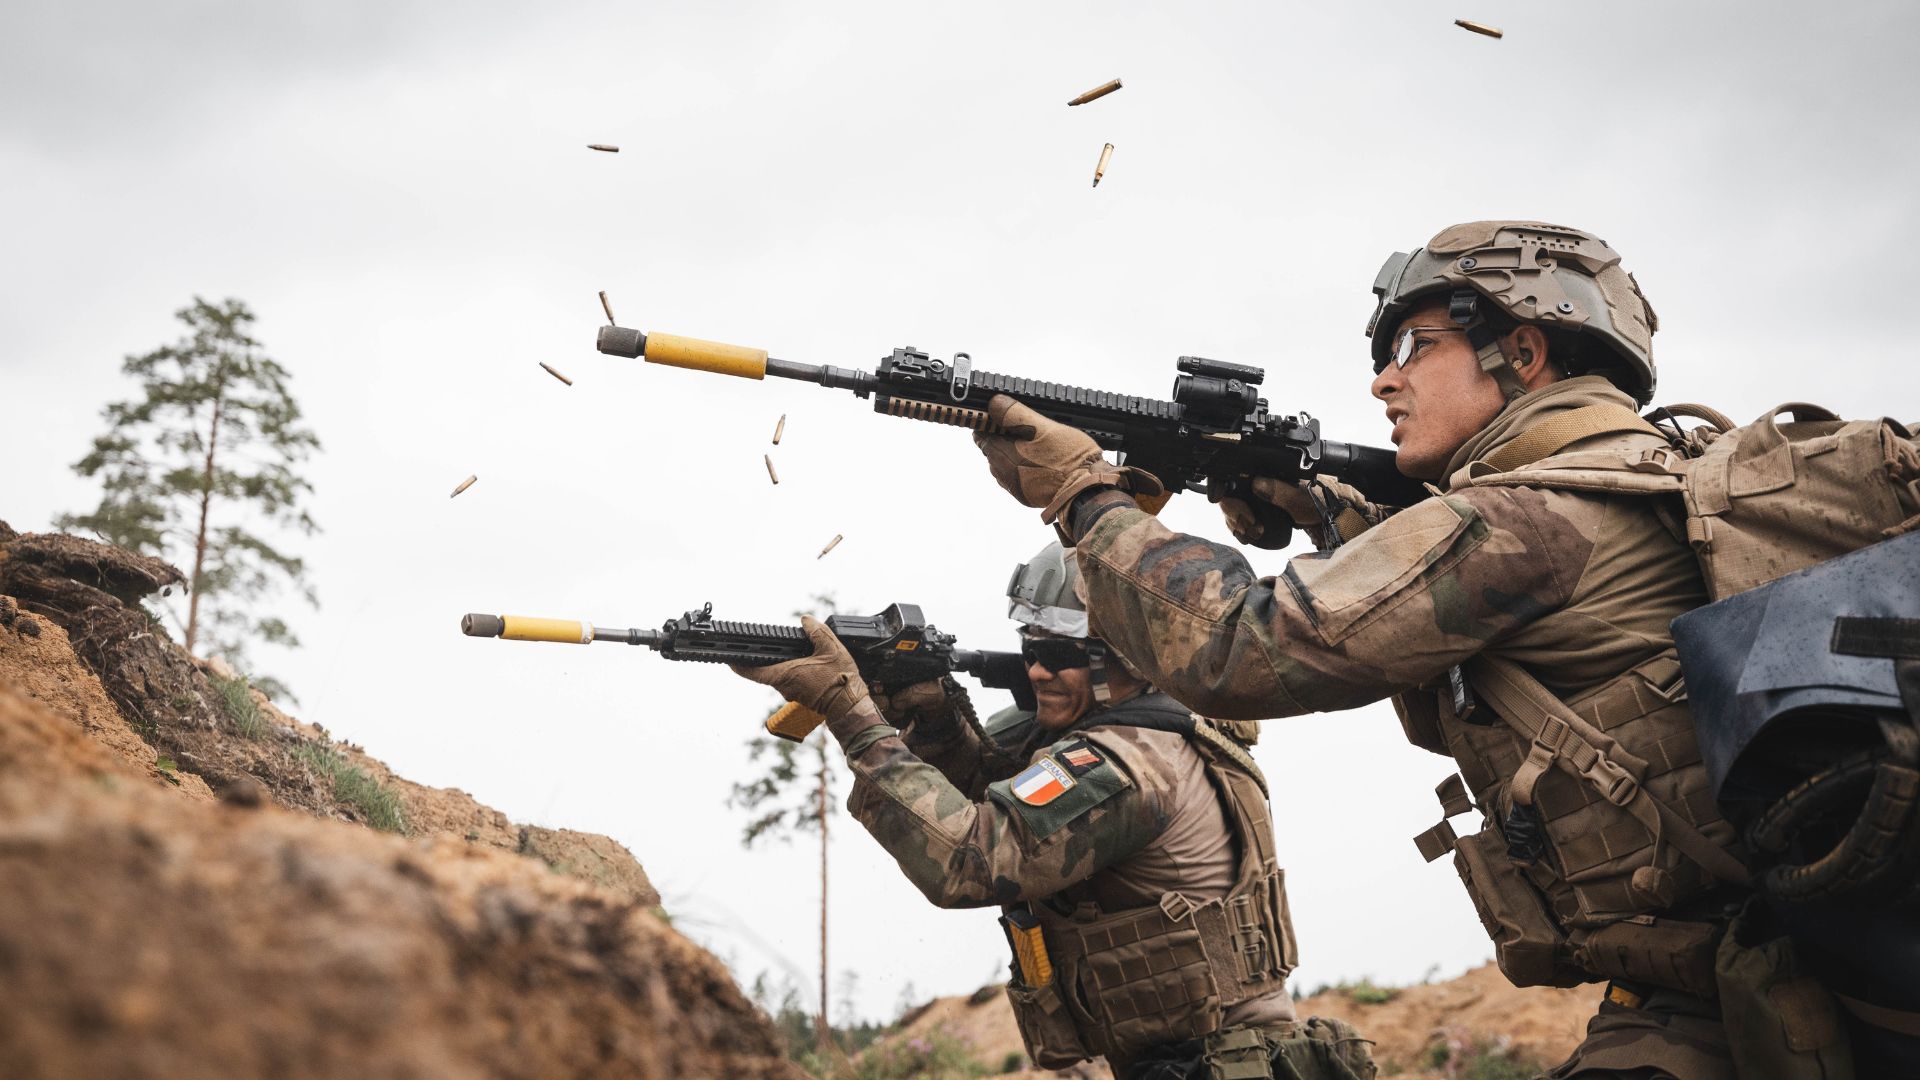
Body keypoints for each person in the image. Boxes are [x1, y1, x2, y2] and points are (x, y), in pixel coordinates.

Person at [969, 221, 1856, 1078]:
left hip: (1738, 994)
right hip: (1778, 967)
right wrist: (1327, 511)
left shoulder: (1529, 521)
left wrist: (1086, 497)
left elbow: (1243, 650)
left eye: (1411, 348)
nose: (1383, 385)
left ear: (1524, 350)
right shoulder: (1658, 472)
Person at [732, 541, 1373, 1080]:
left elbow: (969, 860)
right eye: (1029, 647)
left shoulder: (1127, 765)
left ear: (1129, 658)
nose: (1037, 671)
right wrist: (939, 725)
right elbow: (1012, 804)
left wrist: (855, 719)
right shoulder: (1147, 737)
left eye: (1061, 654)